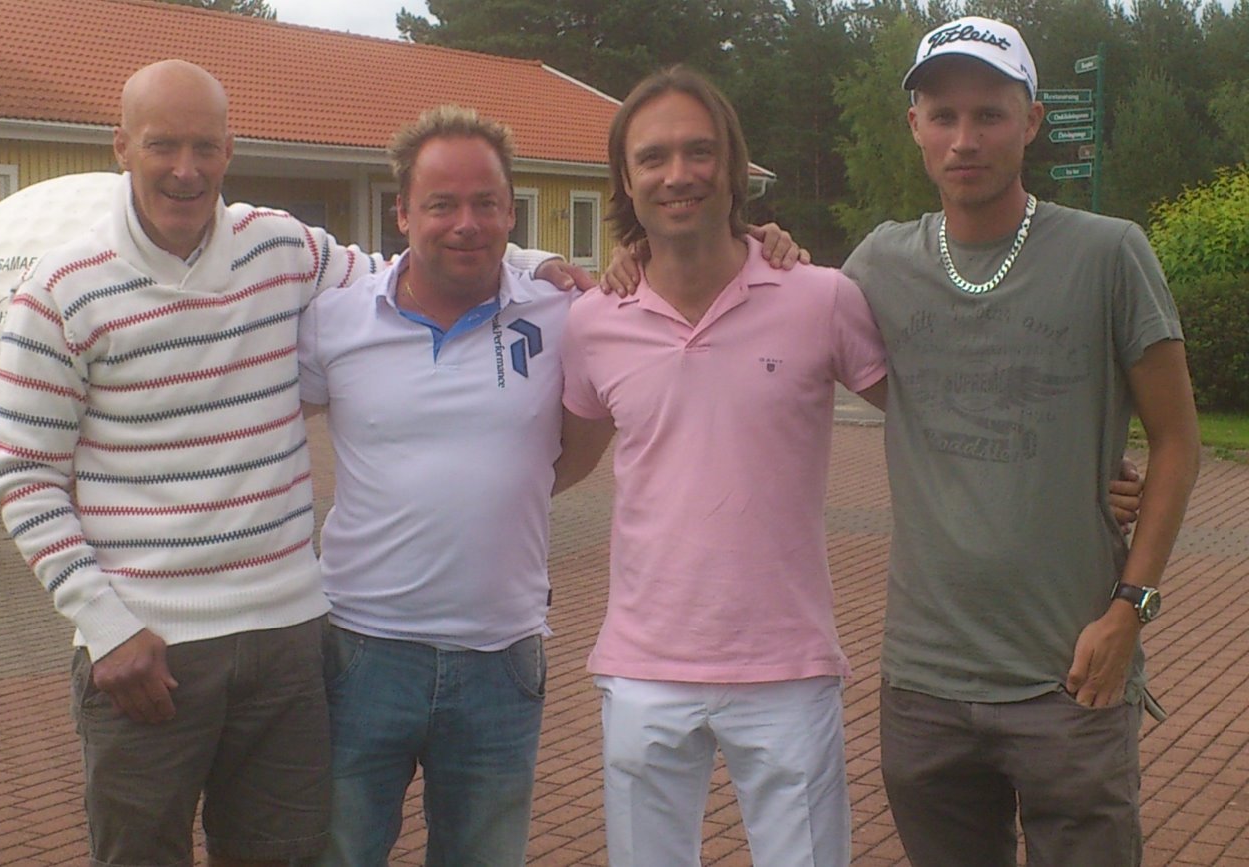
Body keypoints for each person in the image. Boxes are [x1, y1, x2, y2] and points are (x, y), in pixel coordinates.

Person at [0, 61, 588, 867]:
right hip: (146, 648)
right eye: (163, 145)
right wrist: (104, 625)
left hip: (287, 644)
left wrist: (536, 263)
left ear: (229, 150)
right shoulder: (59, 289)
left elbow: (411, 263)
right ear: (121, 146)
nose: (186, 168)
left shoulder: (281, 248)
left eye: (205, 146)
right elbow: (24, 475)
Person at [297, 103, 806, 866]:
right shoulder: (334, 321)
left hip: (501, 658)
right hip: (361, 650)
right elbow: (268, 428)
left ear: (511, 211)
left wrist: (761, 244)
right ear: (402, 212)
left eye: (486, 203)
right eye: (441, 204)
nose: (466, 223)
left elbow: (579, 444)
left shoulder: (566, 309)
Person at [841, 17, 1201, 866]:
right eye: (943, 115)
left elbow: (1179, 441)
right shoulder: (878, 265)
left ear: (1031, 121)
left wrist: (1130, 610)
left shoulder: (1110, 254)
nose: (965, 139)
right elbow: (762, 307)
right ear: (915, 126)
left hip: (1072, 675)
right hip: (924, 683)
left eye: (990, 114)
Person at [556, 67, 888, 867]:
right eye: (653, 157)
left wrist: (1078, 461)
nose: (678, 174)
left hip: (788, 666)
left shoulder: (820, 297)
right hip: (643, 668)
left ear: (735, 166)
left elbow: (934, 420)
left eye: (699, 151)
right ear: (625, 179)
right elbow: (558, 462)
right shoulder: (593, 320)